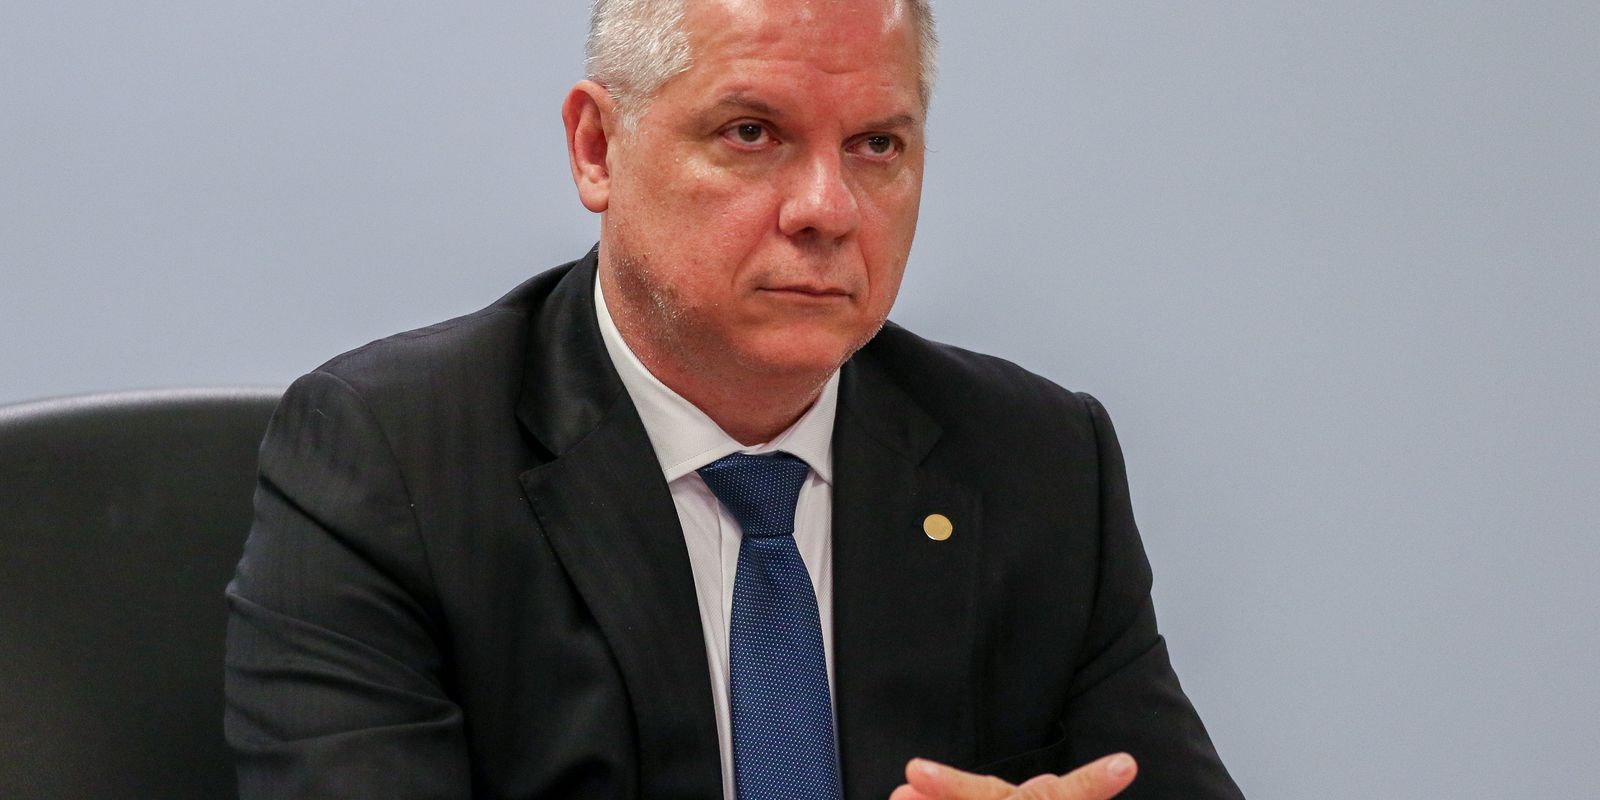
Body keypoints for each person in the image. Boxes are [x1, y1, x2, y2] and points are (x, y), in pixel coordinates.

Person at [223, 0, 1246, 798]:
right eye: (752, 132)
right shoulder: (391, 459)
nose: (827, 210)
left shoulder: (1037, 461)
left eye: (877, 146)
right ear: (597, 147)